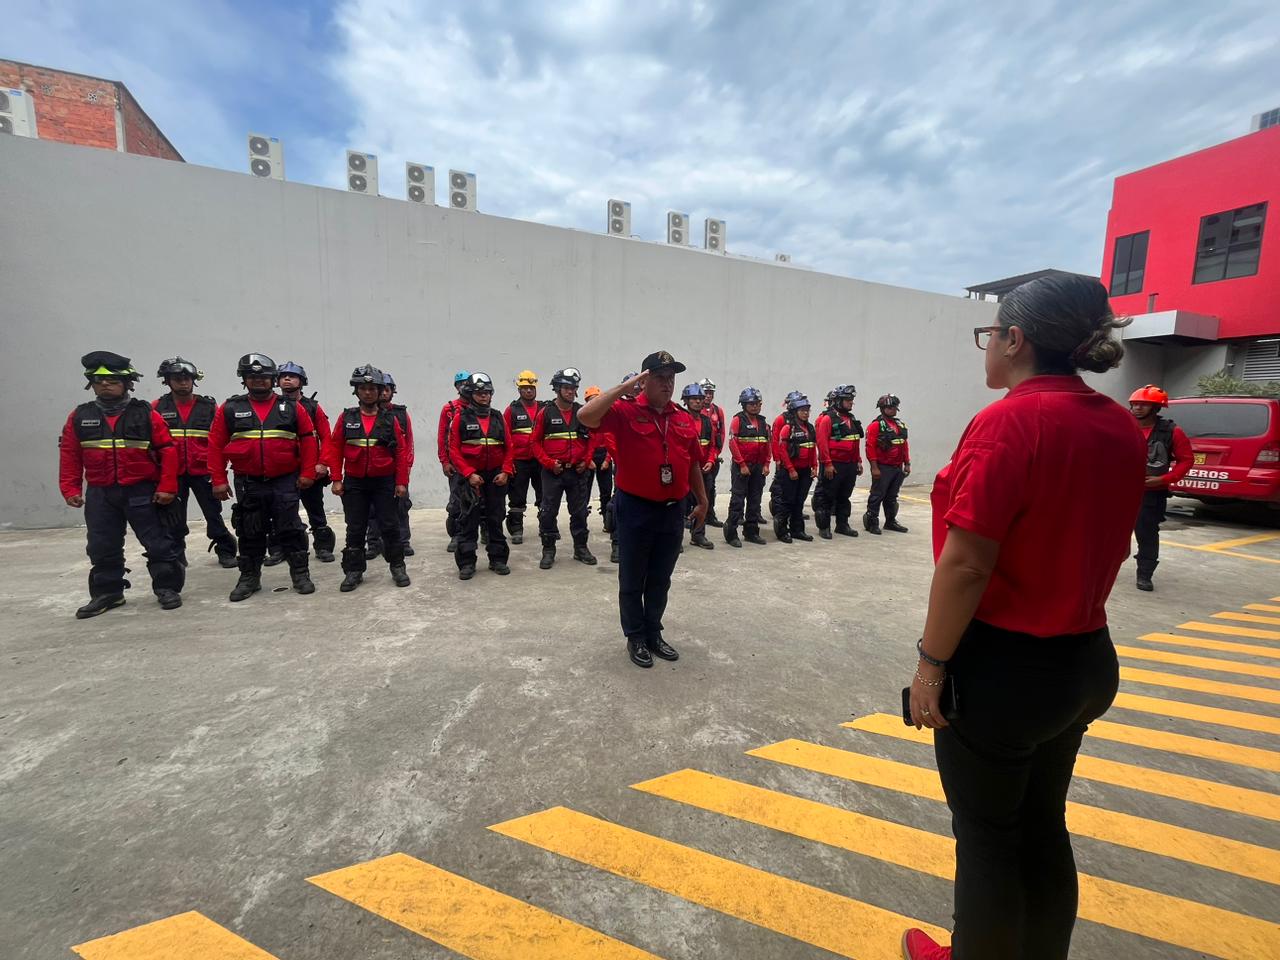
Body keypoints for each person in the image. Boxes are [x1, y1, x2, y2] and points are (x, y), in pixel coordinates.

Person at [900, 274, 1144, 960]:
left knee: (986, 840)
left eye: (990, 336)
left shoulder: (1011, 421)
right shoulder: (1119, 424)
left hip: (1006, 669)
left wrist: (931, 665)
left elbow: (968, 565)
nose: (987, 350)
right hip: (1084, 660)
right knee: (1041, 824)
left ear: (1016, 338)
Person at [578, 351, 707, 668]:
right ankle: (635, 637)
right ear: (645, 380)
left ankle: (653, 632)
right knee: (633, 579)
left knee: (661, 579)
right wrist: (627, 387)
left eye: (671, 378)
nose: (667, 384)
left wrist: (702, 500)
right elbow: (585, 416)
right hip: (636, 508)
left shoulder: (681, 418)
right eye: (660, 377)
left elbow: (692, 463)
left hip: (673, 510)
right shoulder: (623, 412)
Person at [59, 351, 184, 617]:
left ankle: (166, 588)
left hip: (141, 491)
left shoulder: (145, 414)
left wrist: (167, 487)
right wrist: (70, 489)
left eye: (113, 379)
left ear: (127, 383)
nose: (105, 384)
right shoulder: (80, 416)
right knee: (102, 545)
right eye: (99, 380)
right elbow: (70, 454)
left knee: (158, 542)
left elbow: (168, 451)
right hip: (101, 493)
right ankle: (108, 593)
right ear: (91, 383)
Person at [207, 353, 319, 601]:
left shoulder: (291, 407)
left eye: (263, 377)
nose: (258, 381)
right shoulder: (231, 408)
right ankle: (249, 577)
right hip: (248, 481)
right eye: (252, 377)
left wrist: (308, 472)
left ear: (273, 379)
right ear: (244, 379)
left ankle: (300, 574)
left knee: (291, 528)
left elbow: (309, 440)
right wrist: (218, 479)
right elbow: (215, 445)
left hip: (285, 479)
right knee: (249, 531)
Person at [324, 364, 412, 592]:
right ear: (356, 391)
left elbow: (401, 451)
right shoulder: (346, 418)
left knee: (390, 526)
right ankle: (354, 571)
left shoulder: (390, 419)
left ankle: (397, 566)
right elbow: (334, 448)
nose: (368, 392)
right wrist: (336, 478)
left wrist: (401, 482)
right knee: (355, 528)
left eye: (373, 388)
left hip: (384, 482)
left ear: (381, 390)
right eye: (363, 388)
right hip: (355, 483)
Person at [153, 357, 238, 568]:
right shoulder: (157, 407)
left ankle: (225, 549)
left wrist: (220, 474)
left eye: (186, 378)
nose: (183, 383)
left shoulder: (209, 407)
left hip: (202, 471)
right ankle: (177, 553)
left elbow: (220, 441)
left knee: (213, 514)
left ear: (193, 381)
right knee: (173, 517)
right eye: (177, 379)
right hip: (172, 473)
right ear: (168, 381)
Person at [269, 361, 336, 566]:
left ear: (302, 381)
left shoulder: (312, 408)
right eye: (283, 376)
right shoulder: (271, 407)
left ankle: (323, 546)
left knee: (315, 508)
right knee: (279, 511)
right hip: (283, 469)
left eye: (292, 376)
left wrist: (323, 463)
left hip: (310, 468)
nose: (287, 379)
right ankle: (279, 548)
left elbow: (327, 438)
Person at [448, 372, 514, 579]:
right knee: (468, 520)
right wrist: (468, 474)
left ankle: (498, 560)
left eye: (487, 392)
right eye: (479, 393)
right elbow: (454, 450)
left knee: (495, 519)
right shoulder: (460, 418)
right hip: (470, 478)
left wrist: (505, 471)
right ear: (470, 394)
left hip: (495, 477)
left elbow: (509, 448)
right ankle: (467, 563)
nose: (484, 396)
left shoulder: (498, 418)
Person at [1129, 384, 1192, 591]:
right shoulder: (1123, 425)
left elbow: (1186, 460)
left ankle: (1145, 574)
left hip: (1150, 493)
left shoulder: (1172, 432)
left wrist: (1165, 479)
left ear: (1156, 408)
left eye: (1143, 405)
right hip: (1120, 491)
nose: (1137, 408)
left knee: (1146, 533)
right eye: (1135, 404)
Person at [531, 367, 596, 568]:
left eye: (574, 388)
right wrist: (549, 463)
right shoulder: (545, 413)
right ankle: (548, 550)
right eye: (567, 387)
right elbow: (534, 443)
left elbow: (592, 438)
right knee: (548, 511)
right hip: (553, 473)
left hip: (577, 472)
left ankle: (581, 548)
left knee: (579, 511)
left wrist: (586, 460)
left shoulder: (582, 412)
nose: (571, 391)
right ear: (557, 389)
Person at [365, 371, 416, 558]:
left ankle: (403, 541)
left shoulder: (401, 414)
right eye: (382, 390)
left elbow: (408, 441)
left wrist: (407, 468)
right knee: (372, 509)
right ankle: (373, 543)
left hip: (398, 469)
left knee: (401, 507)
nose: (384, 393)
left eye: (388, 389)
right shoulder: (367, 413)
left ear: (393, 391)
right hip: (375, 470)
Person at [813, 383, 863, 539]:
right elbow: (822, 443)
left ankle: (842, 525)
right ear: (838, 401)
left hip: (850, 465)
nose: (851, 402)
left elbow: (855, 441)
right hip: (833, 466)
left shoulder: (851, 419)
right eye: (848, 399)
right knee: (826, 497)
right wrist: (827, 464)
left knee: (844, 497)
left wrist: (858, 461)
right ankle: (824, 527)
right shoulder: (828, 419)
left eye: (852, 399)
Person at [724, 386, 771, 548]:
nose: (755, 406)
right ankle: (731, 534)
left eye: (758, 403)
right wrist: (742, 464)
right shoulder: (738, 420)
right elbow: (732, 443)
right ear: (744, 404)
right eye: (751, 403)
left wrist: (766, 464)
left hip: (758, 468)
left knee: (754, 500)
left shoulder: (763, 423)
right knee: (737, 500)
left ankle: (751, 532)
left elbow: (767, 445)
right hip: (742, 467)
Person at [503, 369, 543, 545]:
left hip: (540, 461)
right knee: (517, 496)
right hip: (519, 461)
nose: (529, 391)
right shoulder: (511, 410)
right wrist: (508, 462)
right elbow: (505, 438)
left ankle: (547, 527)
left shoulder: (544, 408)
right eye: (525, 388)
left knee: (545, 495)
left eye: (531, 388)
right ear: (519, 390)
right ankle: (517, 528)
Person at [771, 394, 817, 543]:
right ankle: (782, 531)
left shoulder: (810, 428)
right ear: (794, 411)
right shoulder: (787, 428)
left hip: (805, 472)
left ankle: (797, 530)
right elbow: (782, 450)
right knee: (787, 501)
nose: (805, 413)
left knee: (799, 502)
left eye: (807, 410)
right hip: (790, 472)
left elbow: (812, 448)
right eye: (802, 410)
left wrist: (814, 466)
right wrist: (790, 469)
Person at [864, 393, 911, 535]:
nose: (893, 410)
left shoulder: (899, 425)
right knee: (877, 495)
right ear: (882, 408)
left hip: (897, 467)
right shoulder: (875, 426)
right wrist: (874, 467)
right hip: (883, 467)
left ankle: (890, 521)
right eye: (889, 408)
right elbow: (870, 447)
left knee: (892, 496)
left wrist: (907, 463)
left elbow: (904, 444)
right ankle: (872, 522)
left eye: (894, 408)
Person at [438, 370, 471, 553]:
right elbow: (442, 436)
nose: (464, 386)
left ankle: (484, 533)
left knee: (481, 500)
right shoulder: (449, 409)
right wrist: (444, 461)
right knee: (457, 501)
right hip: (456, 464)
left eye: (467, 382)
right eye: (461, 384)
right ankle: (456, 535)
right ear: (456, 387)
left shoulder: (481, 407)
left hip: (477, 462)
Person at [681, 382, 717, 549]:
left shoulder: (707, 422)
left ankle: (698, 535)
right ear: (686, 401)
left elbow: (712, 445)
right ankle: (675, 539)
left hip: (703, 470)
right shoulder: (679, 419)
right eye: (694, 399)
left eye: (700, 399)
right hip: (683, 470)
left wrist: (710, 461)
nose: (697, 402)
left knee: (702, 502)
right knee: (679, 504)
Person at [583, 385, 616, 534]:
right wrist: (588, 459)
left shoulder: (607, 418)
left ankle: (606, 519)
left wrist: (607, 460)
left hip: (604, 456)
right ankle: (582, 520)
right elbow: (584, 443)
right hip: (589, 457)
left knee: (605, 491)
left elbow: (611, 441)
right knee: (584, 491)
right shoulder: (584, 419)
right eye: (591, 400)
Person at [698, 377, 727, 527]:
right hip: (697, 457)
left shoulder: (718, 411)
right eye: (706, 392)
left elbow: (721, 434)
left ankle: (710, 514)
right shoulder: (695, 409)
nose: (708, 395)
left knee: (710, 487)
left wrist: (716, 454)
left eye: (711, 392)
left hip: (712, 456)